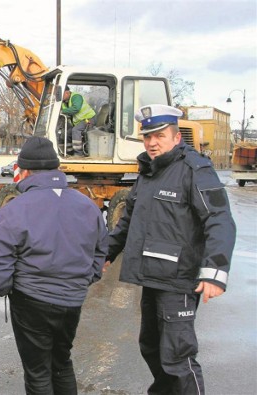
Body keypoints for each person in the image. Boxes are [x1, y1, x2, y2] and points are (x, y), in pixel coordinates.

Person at [104, 104, 236, 395]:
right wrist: (106, 254)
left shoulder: (194, 170)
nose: (152, 143)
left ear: (177, 138)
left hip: (179, 281)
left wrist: (214, 272)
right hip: (152, 278)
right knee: (151, 347)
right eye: (147, 137)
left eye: (160, 135)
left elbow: (219, 219)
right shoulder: (149, 172)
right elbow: (127, 222)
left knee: (178, 357)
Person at [0, 136, 108, 394]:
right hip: (72, 300)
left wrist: (4, 287)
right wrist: (84, 280)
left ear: (24, 171)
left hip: (31, 300)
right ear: (56, 169)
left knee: (38, 372)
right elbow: (101, 248)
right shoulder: (86, 205)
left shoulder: (17, 208)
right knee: (61, 363)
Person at [61, 87, 96, 157]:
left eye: (61, 94)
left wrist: (62, 112)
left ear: (67, 92)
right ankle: (70, 152)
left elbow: (75, 109)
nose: (59, 96)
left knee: (76, 130)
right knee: (67, 133)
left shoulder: (76, 97)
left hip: (88, 119)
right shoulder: (64, 102)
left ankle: (78, 154)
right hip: (80, 122)